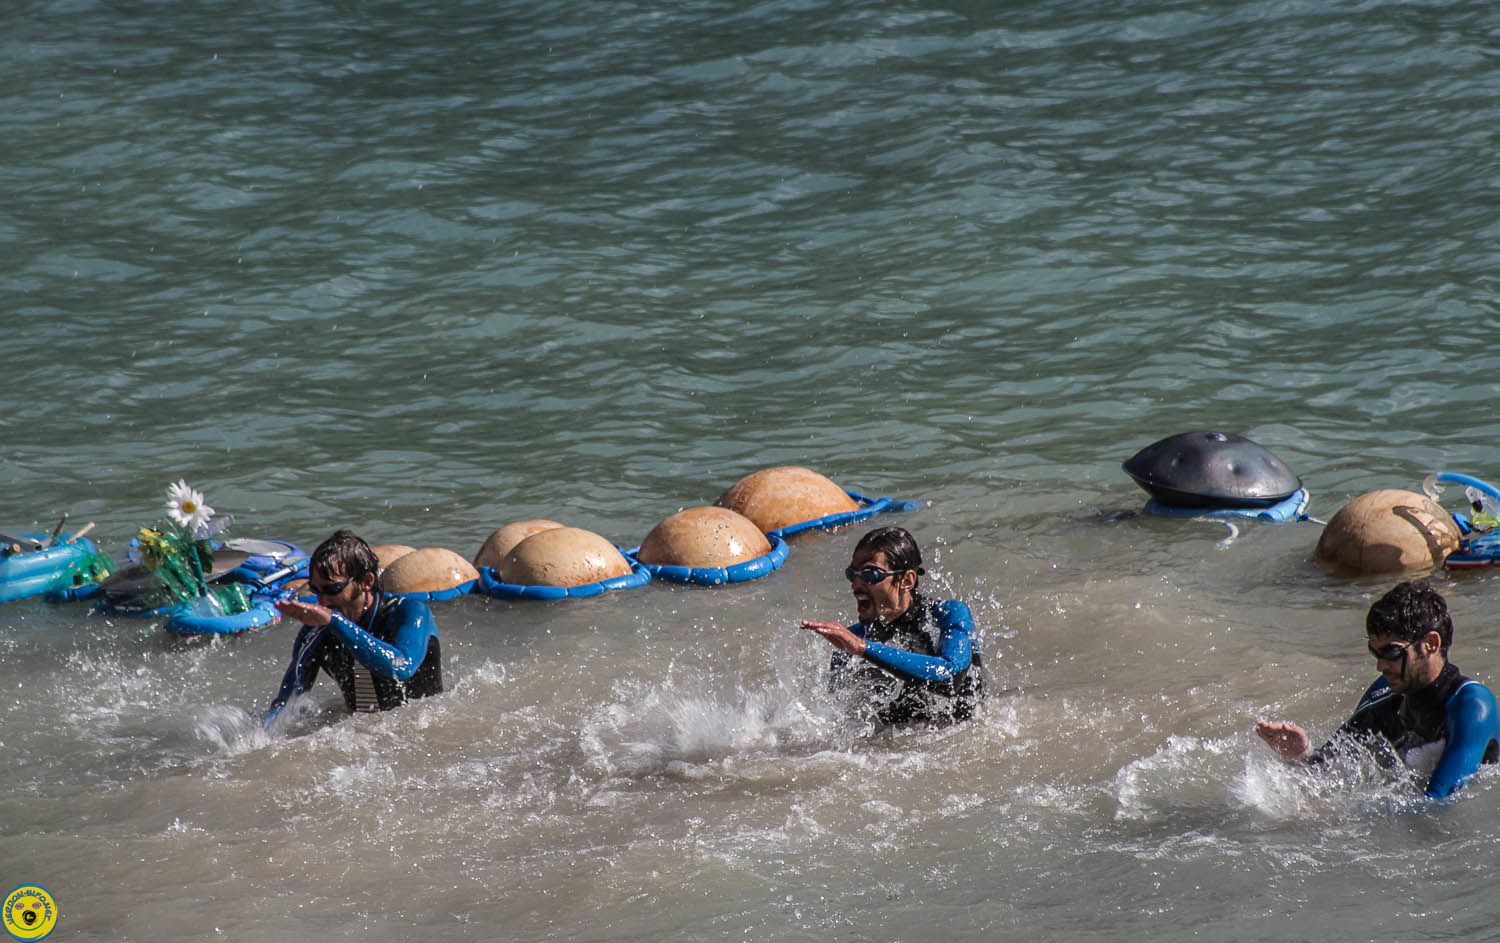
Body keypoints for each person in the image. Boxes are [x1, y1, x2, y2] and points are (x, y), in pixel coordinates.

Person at [1256, 579, 1500, 799]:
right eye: (1375, 652)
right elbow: (1325, 767)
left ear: (1430, 644)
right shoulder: (1388, 694)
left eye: (1391, 652)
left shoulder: (1472, 706)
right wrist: (1303, 755)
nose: (1380, 665)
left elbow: (1438, 801)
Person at [800, 526, 983, 727]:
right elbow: (840, 716)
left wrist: (863, 648)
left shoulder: (947, 616)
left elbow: (950, 677)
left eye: (870, 575)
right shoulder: (852, 642)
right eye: (852, 574)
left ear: (906, 580)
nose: (856, 585)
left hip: (962, 735)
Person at [264, 529, 442, 726]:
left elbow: (401, 667)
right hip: (366, 728)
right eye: (316, 591)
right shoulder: (319, 628)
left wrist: (336, 622)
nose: (323, 601)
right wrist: (262, 737)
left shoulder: (409, 612)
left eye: (332, 589)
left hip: (426, 725)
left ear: (366, 582)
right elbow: (287, 701)